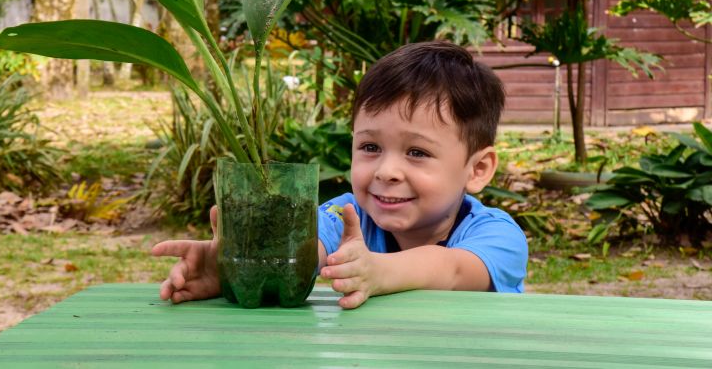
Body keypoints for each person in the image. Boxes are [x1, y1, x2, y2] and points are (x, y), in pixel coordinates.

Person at [152, 41, 528, 309]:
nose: (386, 171)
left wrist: (377, 271)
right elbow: (301, 255)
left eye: (417, 152)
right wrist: (236, 266)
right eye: (370, 147)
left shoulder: (496, 235)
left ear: (477, 169)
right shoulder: (345, 216)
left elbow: (453, 271)